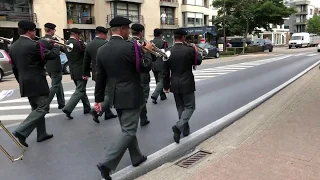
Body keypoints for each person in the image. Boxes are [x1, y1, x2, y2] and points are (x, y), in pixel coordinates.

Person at [94, 16, 153, 179]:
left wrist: (98, 99)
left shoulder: (102, 50)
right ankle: (107, 163)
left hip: (114, 95)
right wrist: (147, 52)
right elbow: (144, 67)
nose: (129, 32)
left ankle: (136, 157)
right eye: (127, 29)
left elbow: (100, 77)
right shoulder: (130, 47)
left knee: (127, 127)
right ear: (122, 29)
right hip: (131, 94)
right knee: (128, 130)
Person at [9, 20, 60, 147]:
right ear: (29, 31)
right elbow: (52, 55)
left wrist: (21, 82)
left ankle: (41, 134)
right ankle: (21, 131)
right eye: (34, 31)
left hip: (24, 82)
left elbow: (14, 69)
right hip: (37, 81)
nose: (35, 33)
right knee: (43, 108)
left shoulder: (13, 46)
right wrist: (56, 46)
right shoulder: (34, 45)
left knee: (35, 108)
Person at [163, 28, 202, 144]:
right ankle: (178, 126)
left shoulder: (168, 51)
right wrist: (196, 51)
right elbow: (198, 61)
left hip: (174, 83)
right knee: (190, 107)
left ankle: (185, 131)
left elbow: (165, 72)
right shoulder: (189, 50)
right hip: (187, 82)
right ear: (184, 37)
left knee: (180, 107)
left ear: (174, 37)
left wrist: (166, 86)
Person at [83, 26, 117, 123]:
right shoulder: (106, 44)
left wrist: (85, 73)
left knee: (101, 92)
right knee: (108, 94)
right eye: (105, 35)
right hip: (107, 73)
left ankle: (108, 113)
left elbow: (86, 60)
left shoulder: (89, 44)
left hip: (95, 73)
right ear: (102, 34)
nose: (106, 37)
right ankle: (97, 111)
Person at [62, 28, 91, 119]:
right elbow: (86, 53)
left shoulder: (66, 44)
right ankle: (68, 108)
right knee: (80, 90)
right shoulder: (78, 43)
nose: (80, 37)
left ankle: (87, 107)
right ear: (76, 34)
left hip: (73, 70)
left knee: (82, 90)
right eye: (79, 35)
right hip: (81, 70)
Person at [130, 23, 152, 126]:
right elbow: (148, 64)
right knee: (143, 98)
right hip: (142, 76)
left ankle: (144, 117)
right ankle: (141, 117)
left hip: (131, 76)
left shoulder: (127, 42)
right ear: (141, 32)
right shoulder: (142, 43)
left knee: (136, 97)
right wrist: (148, 51)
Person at [39, 22, 65, 110]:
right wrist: (59, 45)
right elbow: (58, 52)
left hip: (48, 66)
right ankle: (45, 105)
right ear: (51, 30)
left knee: (58, 84)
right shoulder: (52, 41)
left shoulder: (41, 40)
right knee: (55, 85)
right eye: (54, 30)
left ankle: (61, 103)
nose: (55, 31)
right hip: (55, 66)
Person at [150, 28, 168, 104]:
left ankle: (162, 95)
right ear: (161, 35)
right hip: (161, 64)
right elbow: (166, 53)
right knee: (161, 81)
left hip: (153, 64)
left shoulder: (150, 42)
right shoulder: (164, 42)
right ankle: (155, 95)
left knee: (157, 80)